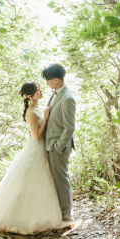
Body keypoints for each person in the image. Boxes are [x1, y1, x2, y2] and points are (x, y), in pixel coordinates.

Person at [0, 81, 63, 234]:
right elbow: (36, 136)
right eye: (37, 90)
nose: (40, 91)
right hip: (36, 148)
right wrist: (46, 118)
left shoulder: (37, 108)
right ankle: (19, 219)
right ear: (29, 96)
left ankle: (39, 215)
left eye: (40, 89)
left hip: (41, 148)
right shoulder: (31, 112)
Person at [42, 63, 76, 225]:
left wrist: (58, 146)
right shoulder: (55, 95)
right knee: (55, 178)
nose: (47, 83)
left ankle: (66, 213)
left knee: (61, 179)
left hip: (59, 146)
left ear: (56, 79)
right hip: (50, 143)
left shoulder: (67, 98)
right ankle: (58, 211)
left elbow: (69, 128)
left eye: (48, 80)